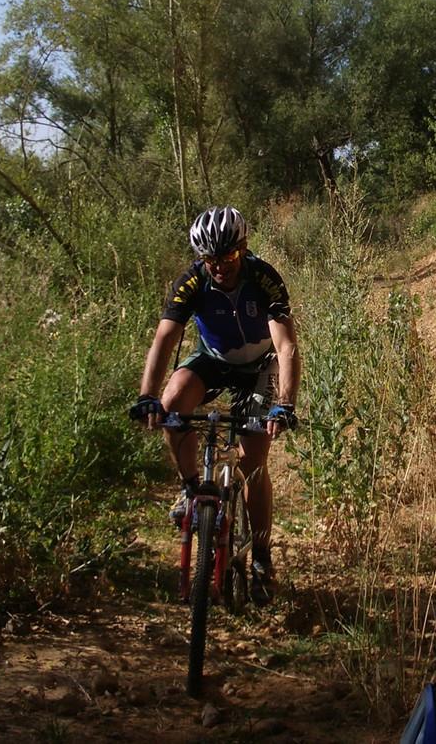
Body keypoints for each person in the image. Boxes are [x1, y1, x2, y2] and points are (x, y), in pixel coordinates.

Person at [130, 206, 300, 605]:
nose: (220, 267)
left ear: (243, 247)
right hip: (213, 359)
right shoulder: (192, 281)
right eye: (210, 259)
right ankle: (192, 488)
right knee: (172, 403)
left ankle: (261, 559)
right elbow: (164, 339)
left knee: (253, 461)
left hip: (259, 365)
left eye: (228, 257)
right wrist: (147, 396)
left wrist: (284, 404)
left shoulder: (263, 277)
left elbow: (286, 346)